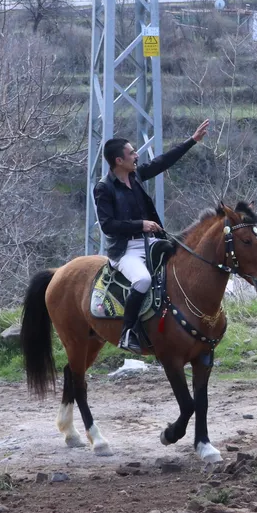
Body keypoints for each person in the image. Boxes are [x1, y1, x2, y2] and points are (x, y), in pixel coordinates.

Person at [94, 119, 211, 351]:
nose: (137, 155)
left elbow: (163, 162)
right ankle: (128, 332)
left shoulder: (136, 175)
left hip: (152, 243)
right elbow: (108, 226)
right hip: (125, 250)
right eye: (132, 153)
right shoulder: (103, 188)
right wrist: (141, 225)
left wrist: (192, 141)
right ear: (119, 160)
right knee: (143, 280)